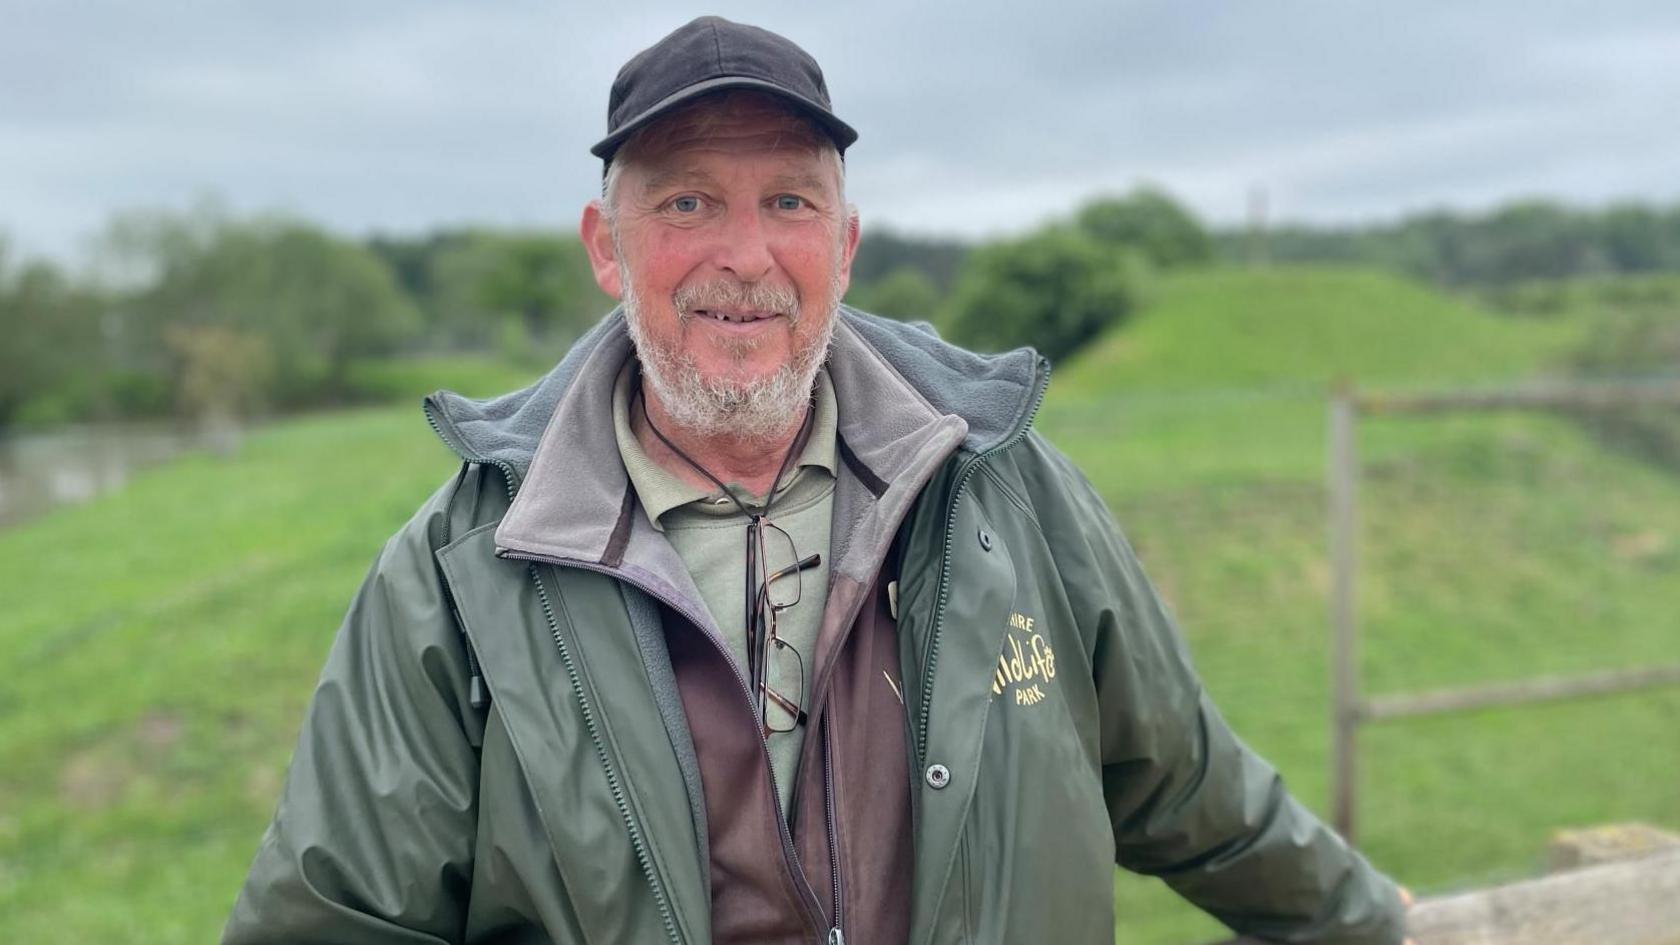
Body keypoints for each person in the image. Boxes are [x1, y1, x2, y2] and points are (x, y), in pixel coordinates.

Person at [224, 16, 1411, 945]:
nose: (744, 255)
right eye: (688, 201)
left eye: (788, 201)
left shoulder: (1007, 495)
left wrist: (1372, 923)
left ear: (842, 245)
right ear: (606, 245)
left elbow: (1186, 785)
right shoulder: (457, 578)